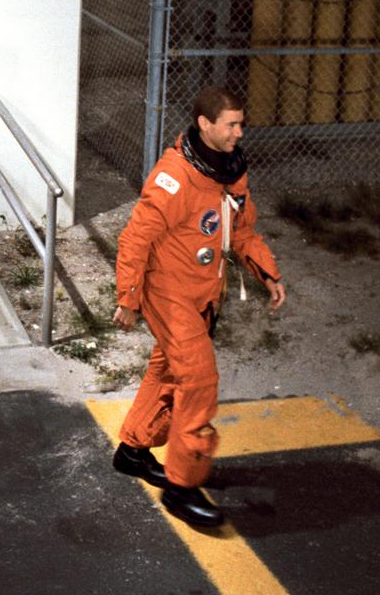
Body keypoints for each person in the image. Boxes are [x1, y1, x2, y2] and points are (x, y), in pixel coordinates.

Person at [111, 86, 286, 528]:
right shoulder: (175, 176)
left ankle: (133, 449)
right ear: (205, 125)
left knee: (169, 368)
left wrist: (268, 273)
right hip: (167, 292)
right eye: (231, 124)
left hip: (203, 291)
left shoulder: (229, 172)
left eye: (241, 124)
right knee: (199, 377)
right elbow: (135, 238)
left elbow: (242, 230)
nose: (239, 133)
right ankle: (181, 487)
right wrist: (129, 298)